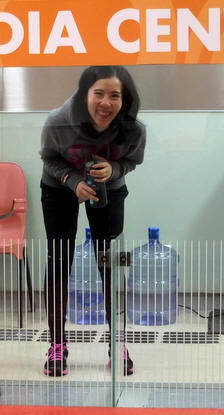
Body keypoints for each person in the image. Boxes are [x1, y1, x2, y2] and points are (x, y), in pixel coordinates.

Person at [39, 66, 146, 377]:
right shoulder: (59, 120)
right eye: (98, 93)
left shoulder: (134, 128)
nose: (106, 103)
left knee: (111, 261)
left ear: (125, 99)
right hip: (59, 187)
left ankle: (117, 342)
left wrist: (114, 169)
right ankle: (57, 344)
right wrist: (72, 181)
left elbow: (133, 160)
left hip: (109, 188)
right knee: (58, 260)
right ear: (85, 94)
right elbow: (48, 157)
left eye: (115, 96)